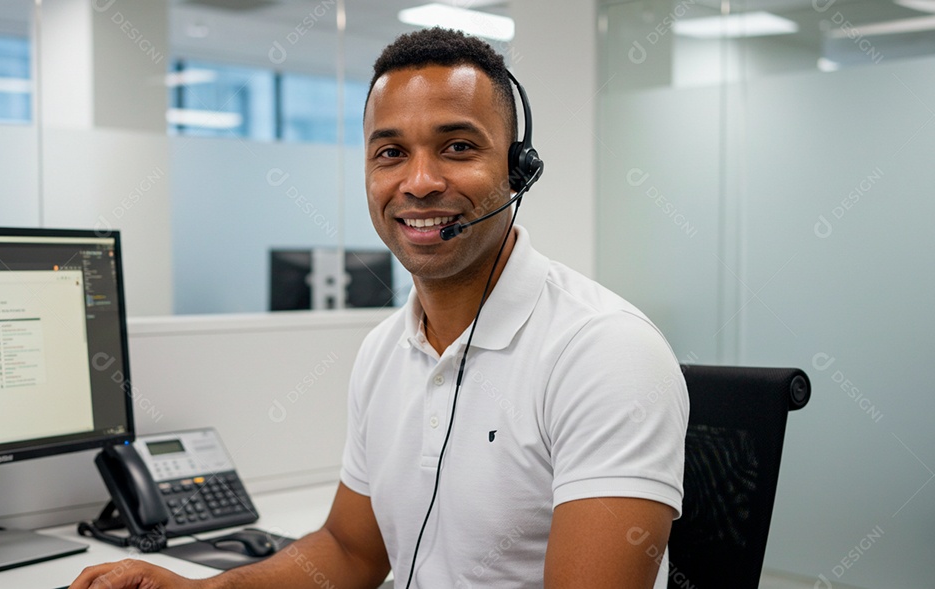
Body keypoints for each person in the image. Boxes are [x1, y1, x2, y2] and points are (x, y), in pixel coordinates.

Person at [71, 28, 687, 589]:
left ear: (518, 171)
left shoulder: (606, 352)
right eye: (391, 153)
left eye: (458, 147)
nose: (418, 182)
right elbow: (350, 551)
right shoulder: (386, 348)